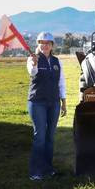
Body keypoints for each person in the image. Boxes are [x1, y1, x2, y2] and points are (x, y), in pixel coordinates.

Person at [27, 32, 67, 180]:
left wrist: (63, 102)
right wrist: (34, 64)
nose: (44, 45)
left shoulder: (57, 61)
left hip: (54, 102)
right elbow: (32, 73)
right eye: (41, 43)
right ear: (38, 44)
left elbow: (61, 82)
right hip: (37, 102)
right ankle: (36, 171)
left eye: (47, 43)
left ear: (52, 45)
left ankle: (48, 168)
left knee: (50, 137)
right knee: (40, 137)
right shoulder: (33, 59)